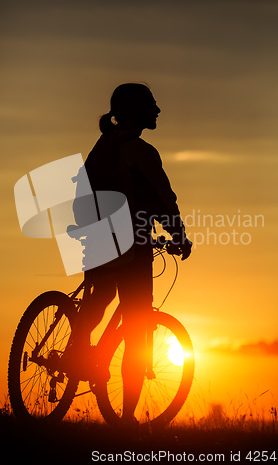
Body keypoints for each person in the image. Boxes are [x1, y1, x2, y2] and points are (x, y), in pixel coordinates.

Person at [67, 83, 192, 426]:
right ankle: (126, 420)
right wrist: (179, 237)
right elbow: (163, 199)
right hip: (132, 245)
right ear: (136, 110)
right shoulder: (140, 151)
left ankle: (76, 355)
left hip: (97, 238)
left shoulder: (103, 145)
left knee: (100, 298)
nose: (158, 110)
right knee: (138, 328)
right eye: (152, 104)